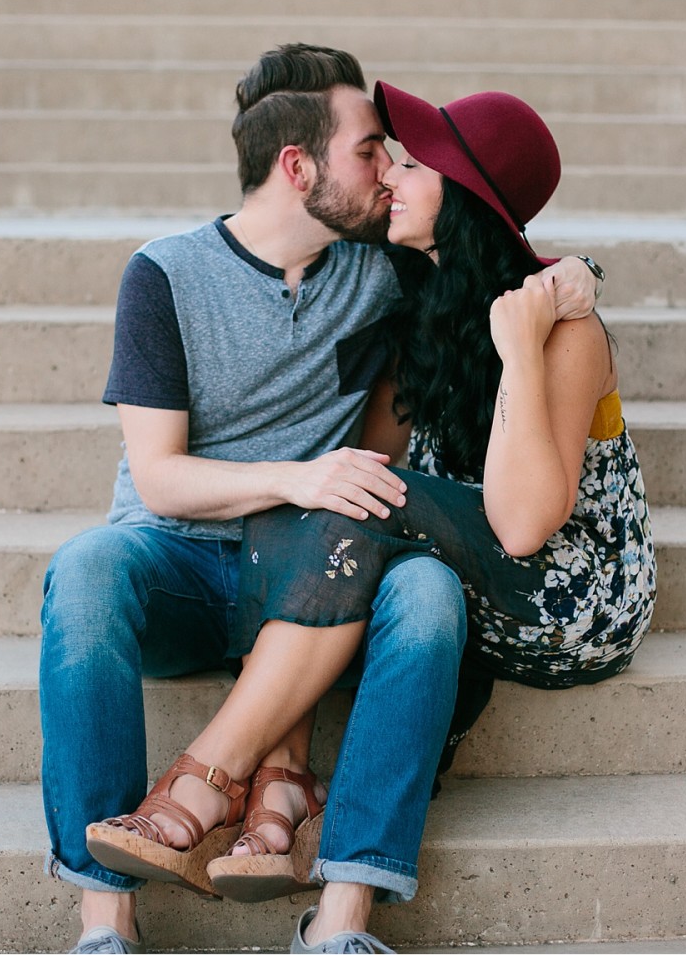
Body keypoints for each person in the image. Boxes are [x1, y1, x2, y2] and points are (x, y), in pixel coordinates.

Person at [39, 44, 601, 955]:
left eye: (391, 156)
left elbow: (486, 247)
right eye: (371, 151)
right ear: (298, 167)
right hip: (185, 561)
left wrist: (576, 273)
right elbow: (158, 478)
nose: (388, 173)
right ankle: (105, 922)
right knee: (85, 568)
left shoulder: (381, 273)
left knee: (427, 594)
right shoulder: (166, 275)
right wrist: (290, 477)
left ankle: (342, 925)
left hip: (319, 573)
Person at [226, 80, 658, 919]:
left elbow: (526, 525)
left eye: (415, 164)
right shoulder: (420, 296)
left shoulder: (566, 332)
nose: (389, 173)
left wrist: (520, 351)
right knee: (317, 500)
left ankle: (217, 770)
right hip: (461, 564)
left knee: (350, 492)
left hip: (572, 596)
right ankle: (316, 839)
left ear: (463, 198)